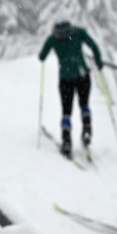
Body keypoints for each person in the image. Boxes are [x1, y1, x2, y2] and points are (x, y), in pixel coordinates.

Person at [38, 17, 103, 157]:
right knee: (84, 104)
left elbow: (42, 56)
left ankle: (66, 141)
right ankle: (87, 131)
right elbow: (94, 46)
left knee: (66, 110)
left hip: (65, 79)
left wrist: (47, 54)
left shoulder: (53, 38)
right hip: (83, 75)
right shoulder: (79, 32)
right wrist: (98, 60)